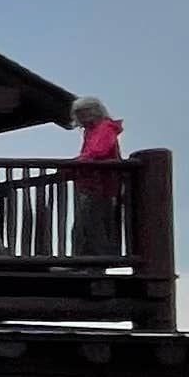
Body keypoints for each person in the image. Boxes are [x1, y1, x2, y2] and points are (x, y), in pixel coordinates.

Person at [67, 94, 126, 256]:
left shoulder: (105, 128)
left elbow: (99, 150)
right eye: (79, 113)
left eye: (85, 112)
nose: (81, 117)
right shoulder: (91, 130)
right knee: (83, 225)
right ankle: (82, 261)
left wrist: (79, 162)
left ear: (96, 111)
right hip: (90, 184)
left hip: (102, 185)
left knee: (94, 224)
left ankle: (94, 263)